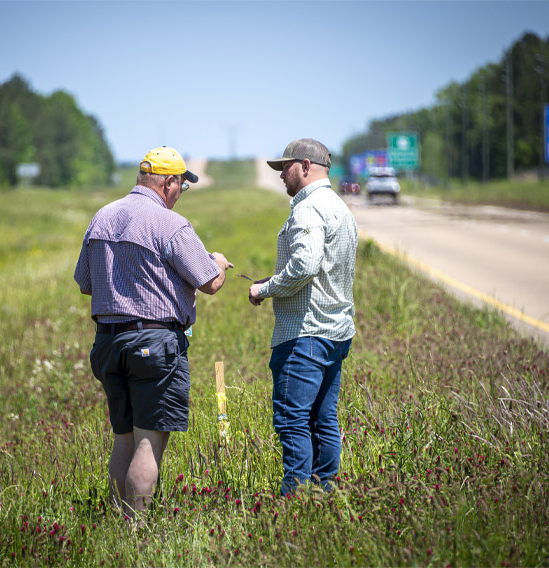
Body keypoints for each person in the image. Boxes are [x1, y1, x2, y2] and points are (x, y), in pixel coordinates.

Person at [74, 146, 233, 520]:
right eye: (181, 186)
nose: (180, 194)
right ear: (169, 182)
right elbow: (209, 283)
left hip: (108, 343)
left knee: (123, 439)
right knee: (148, 443)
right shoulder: (169, 224)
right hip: (154, 343)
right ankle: (136, 531)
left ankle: (116, 522)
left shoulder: (102, 217)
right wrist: (219, 263)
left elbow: (85, 283)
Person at [248, 138, 358, 496]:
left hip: (305, 333)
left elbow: (306, 265)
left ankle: (295, 498)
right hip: (335, 331)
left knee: (293, 420)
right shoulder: (341, 208)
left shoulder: (308, 209)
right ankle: (325, 492)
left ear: (306, 167)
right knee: (323, 419)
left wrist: (264, 289)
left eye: (286, 167)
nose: (281, 175)